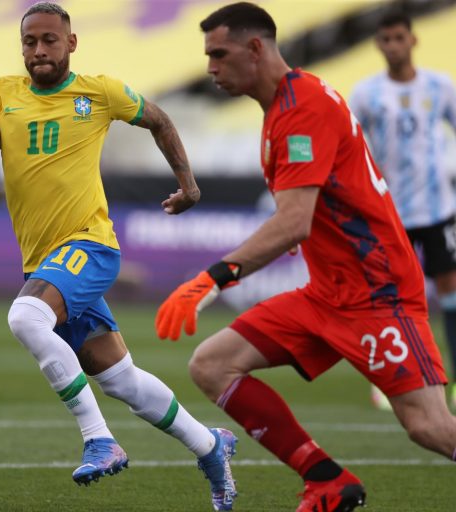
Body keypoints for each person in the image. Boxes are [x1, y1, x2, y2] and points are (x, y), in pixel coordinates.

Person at [155, 3, 456, 511]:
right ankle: (328, 481)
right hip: (327, 292)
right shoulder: (280, 111)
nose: (210, 68)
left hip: (377, 293)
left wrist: (213, 278)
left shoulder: (304, 107)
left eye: (218, 54)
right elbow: (306, 218)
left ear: (255, 49)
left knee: (428, 426)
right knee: (213, 365)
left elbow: (293, 221)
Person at [0, 2, 238, 509]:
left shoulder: (98, 92)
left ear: (71, 44)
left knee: (25, 317)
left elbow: (159, 120)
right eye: (30, 41)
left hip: (89, 245)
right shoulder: (3, 95)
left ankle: (99, 439)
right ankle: (210, 447)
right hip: (45, 264)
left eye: (49, 40)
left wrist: (187, 186)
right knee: (123, 381)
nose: (38, 50)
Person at [350, 11, 456, 410]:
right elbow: (350, 145)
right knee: (389, 296)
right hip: (389, 212)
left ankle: (455, 378)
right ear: (378, 44)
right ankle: (390, 378)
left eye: (399, 38)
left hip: (439, 208)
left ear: (413, 40)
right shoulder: (366, 93)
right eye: (386, 39)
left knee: (450, 291)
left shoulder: (441, 87)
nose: (393, 45)